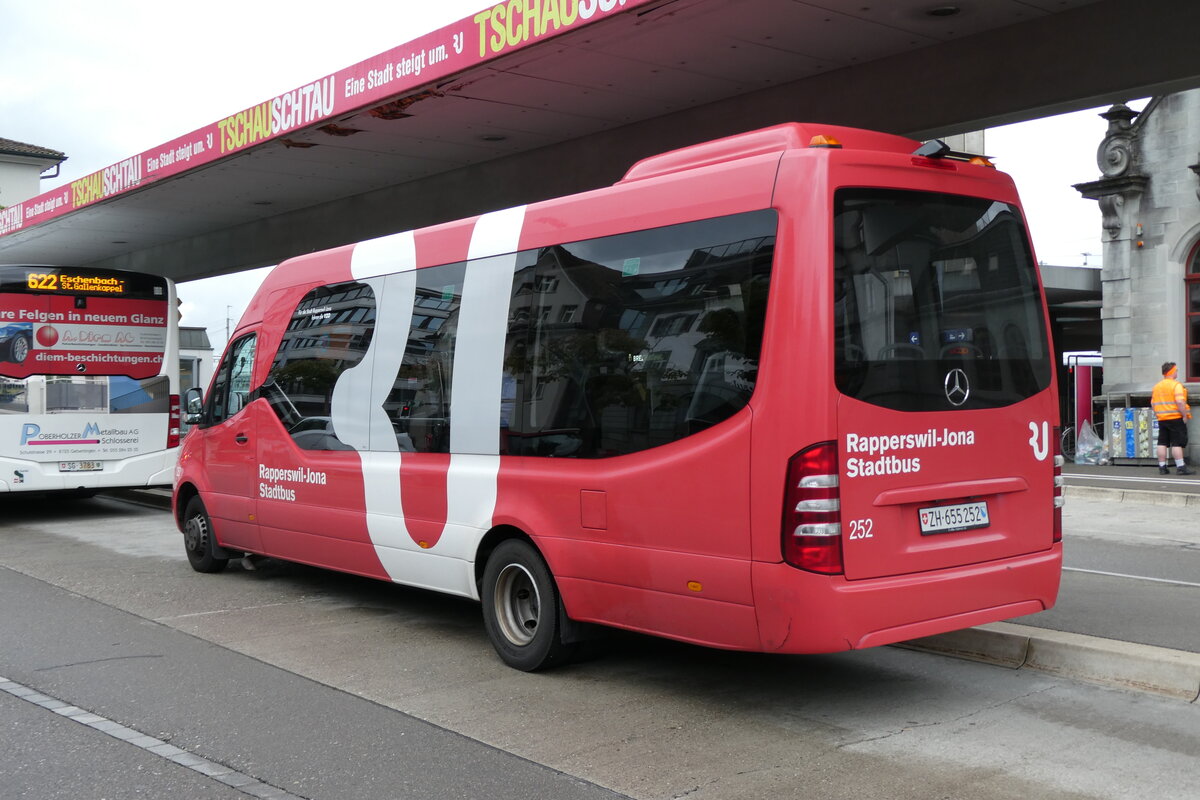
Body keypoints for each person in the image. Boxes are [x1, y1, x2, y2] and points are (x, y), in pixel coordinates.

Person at [1151, 361, 1193, 475]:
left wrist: (1158, 414)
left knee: (1162, 442)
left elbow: (1153, 403)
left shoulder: (1157, 386)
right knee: (1177, 443)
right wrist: (1184, 415)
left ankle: (1162, 467)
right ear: (1172, 372)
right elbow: (1180, 402)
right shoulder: (1176, 385)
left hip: (1162, 419)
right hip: (1175, 418)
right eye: (1176, 370)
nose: (1177, 372)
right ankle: (1180, 467)